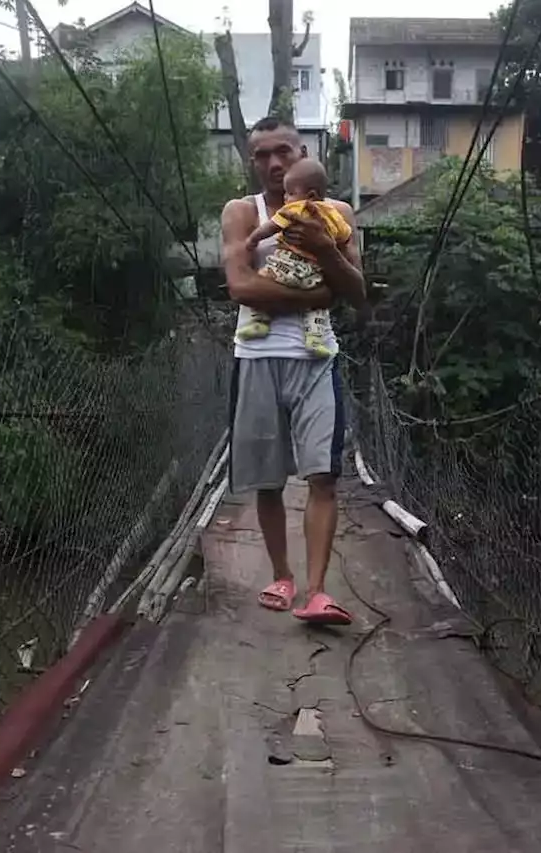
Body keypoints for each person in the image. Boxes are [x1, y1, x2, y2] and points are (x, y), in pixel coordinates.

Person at [220, 115, 367, 626]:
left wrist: (326, 252)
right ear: (252, 161)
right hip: (255, 358)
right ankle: (282, 575)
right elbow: (241, 289)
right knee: (267, 481)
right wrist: (317, 292)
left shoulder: (338, 213)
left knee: (323, 476)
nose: (274, 163)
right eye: (261, 154)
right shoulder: (243, 213)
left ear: (301, 152)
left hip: (316, 358)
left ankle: (318, 592)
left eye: (283, 151)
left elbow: (357, 292)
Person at [237, 157, 351, 358]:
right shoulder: (334, 214)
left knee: (262, 276)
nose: (285, 198)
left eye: (289, 193)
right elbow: (344, 236)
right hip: (314, 274)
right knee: (317, 309)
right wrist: (330, 247)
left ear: (310, 195)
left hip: (286, 266)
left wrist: (253, 239)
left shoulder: (296, 208)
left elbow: (271, 226)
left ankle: (260, 321)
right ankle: (314, 339)